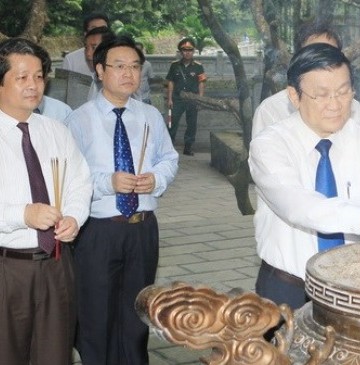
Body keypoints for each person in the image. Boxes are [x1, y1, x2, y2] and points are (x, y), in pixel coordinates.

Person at [249, 43, 360, 310]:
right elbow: (298, 205)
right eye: (321, 95)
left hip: (349, 285)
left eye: (343, 92)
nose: (335, 105)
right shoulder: (270, 145)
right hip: (286, 288)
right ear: (294, 96)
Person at [65, 35, 179, 365]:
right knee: (95, 312)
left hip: (142, 229)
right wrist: (108, 182)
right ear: (100, 70)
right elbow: (73, 176)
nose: (128, 74)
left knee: (137, 313)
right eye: (119, 66)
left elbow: (169, 158)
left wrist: (155, 179)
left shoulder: (149, 116)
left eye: (134, 67)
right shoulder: (79, 120)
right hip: (99, 230)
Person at [0, 37, 92, 365]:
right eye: (22, 77)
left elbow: (80, 182)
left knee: (55, 355)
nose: (34, 85)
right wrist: (21, 214)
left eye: (39, 76)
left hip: (56, 263)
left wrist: (74, 217)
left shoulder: (56, 130)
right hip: (7, 269)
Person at [252, 20, 360, 138]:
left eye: (330, 54)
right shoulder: (270, 110)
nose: (323, 62)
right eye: (314, 56)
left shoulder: (354, 109)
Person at [166, 37, 207, 155]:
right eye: (184, 50)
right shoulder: (174, 66)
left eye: (190, 50)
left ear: (193, 51)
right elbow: (170, 82)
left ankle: (188, 147)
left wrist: (200, 100)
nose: (187, 52)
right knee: (171, 123)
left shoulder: (198, 66)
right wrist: (169, 99)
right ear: (180, 51)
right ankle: (169, 148)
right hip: (177, 99)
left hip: (193, 99)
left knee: (192, 124)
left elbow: (201, 83)